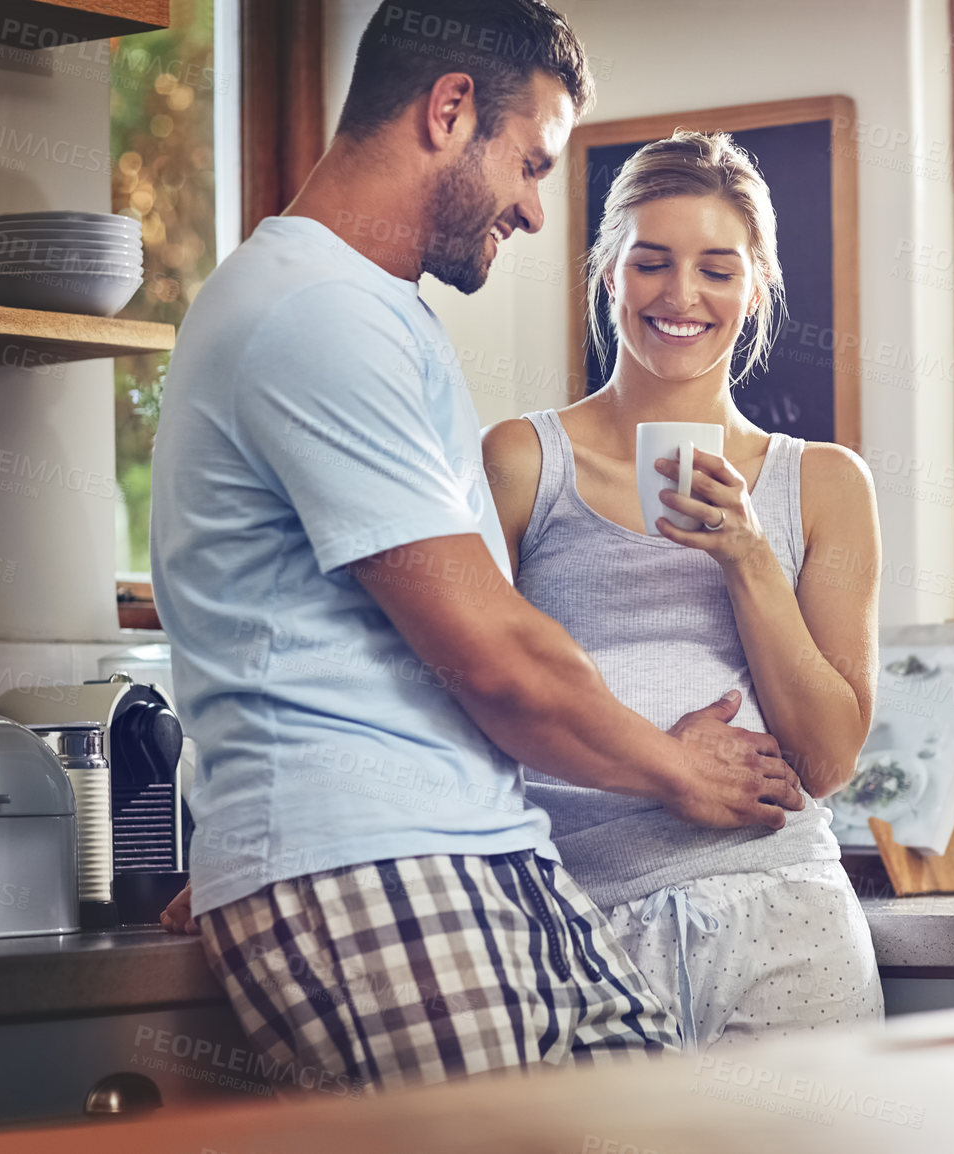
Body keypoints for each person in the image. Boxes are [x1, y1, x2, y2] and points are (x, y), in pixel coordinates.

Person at [150, 1, 806, 1090]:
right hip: (367, 856)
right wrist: (675, 769)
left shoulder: (371, 310)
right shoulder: (313, 312)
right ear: (450, 110)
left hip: (478, 840)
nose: (540, 212)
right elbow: (494, 651)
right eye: (532, 162)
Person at [481, 130, 884, 1050]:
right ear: (608, 273)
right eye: (652, 262)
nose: (682, 296)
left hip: (786, 913)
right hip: (579, 919)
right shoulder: (521, 460)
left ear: (758, 286)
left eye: (718, 269)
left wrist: (746, 555)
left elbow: (824, 760)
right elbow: (466, 695)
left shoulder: (823, 483)